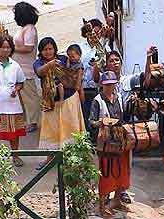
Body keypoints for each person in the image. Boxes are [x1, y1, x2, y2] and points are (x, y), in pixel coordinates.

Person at [103, 48, 153, 204]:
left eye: (117, 60)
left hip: (125, 127)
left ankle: (122, 191)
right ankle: (106, 192)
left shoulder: (128, 80)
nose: (114, 63)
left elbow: (146, 80)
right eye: (111, 61)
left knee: (125, 162)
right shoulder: (103, 81)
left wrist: (148, 58)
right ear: (106, 64)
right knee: (108, 162)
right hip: (107, 129)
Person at [33, 37, 85, 169]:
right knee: (51, 132)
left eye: (50, 49)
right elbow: (40, 72)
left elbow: (76, 69)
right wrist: (50, 64)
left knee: (71, 130)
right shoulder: (38, 63)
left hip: (69, 100)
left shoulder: (63, 59)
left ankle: (73, 160)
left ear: (55, 49)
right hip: (51, 102)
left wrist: (81, 90)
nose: (48, 52)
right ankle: (49, 160)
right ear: (41, 51)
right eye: (45, 49)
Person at [89, 71, 131, 219]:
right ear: (102, 85)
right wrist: (100, 123)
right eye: (107, 84)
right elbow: (91, 122)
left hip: (120, 140)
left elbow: (124, 117)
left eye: (112, 84)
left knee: (122, 170)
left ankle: (117, 200)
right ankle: (101, 206)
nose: (110, 87)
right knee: (106, 173)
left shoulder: (119, 97)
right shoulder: (97, 100)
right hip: (106, 142)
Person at [0, 35, 26, 166]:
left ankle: (15, 155)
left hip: (13, 106)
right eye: (3, 47)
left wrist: (16, 89)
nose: (6, 50)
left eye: (8, 47)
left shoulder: (15, 65)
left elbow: (21, 82)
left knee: (14, 133)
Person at [79, 18, 112, 132]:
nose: (95, 35)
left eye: (98, 33)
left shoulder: (105, 48)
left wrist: (97, 66)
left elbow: (107, 67)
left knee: (98, 114)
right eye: (93, 33)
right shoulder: (80, 48)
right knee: (84, 114)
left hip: (97, 87)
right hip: (83, 86)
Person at [12, 1, 40, 133]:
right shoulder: (24, 29)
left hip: (26, 68)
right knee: (21, 96)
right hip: (19, 68)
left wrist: (12, 49)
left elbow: (29, 48)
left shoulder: (30, 29)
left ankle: (33, 121)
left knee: (30, 97)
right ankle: (25, 121)